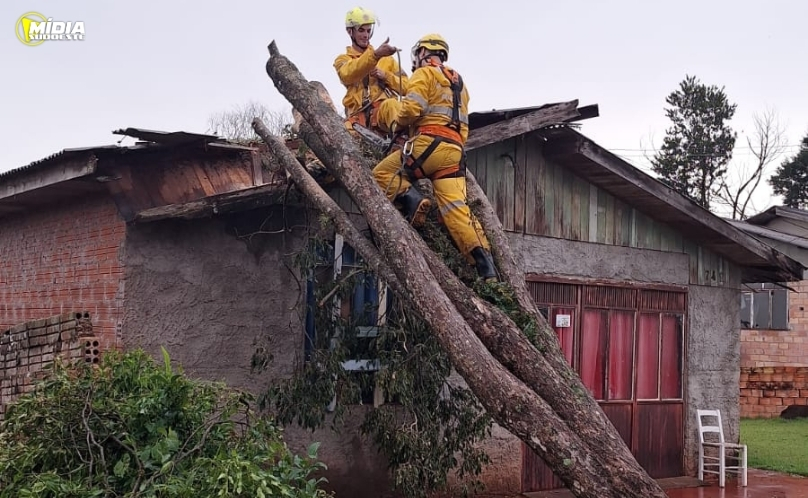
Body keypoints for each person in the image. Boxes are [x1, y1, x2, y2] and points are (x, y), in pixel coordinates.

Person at [371, 34, 497, 282]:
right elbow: (463, 126)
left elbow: (411, 110)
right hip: (454, 151)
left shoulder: (424, 74)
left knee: (381, 174)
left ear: (422, 53)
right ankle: (486, 267)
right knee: (457, 210)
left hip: (427, 145)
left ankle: (413, 201)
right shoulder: (459, 83)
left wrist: (394, 119)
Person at [333, 7, 409, 138]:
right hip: (358, 120)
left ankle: (402, 140)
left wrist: (386, 76)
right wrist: (374, 56)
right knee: (340, 135)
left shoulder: (387, 60)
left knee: (392, 105)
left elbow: (408, 87)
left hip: (383, 114)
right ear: (350, 31)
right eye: (361, 30)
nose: (366, 35)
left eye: (368, 31)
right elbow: (347, 74)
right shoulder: (343, 60)